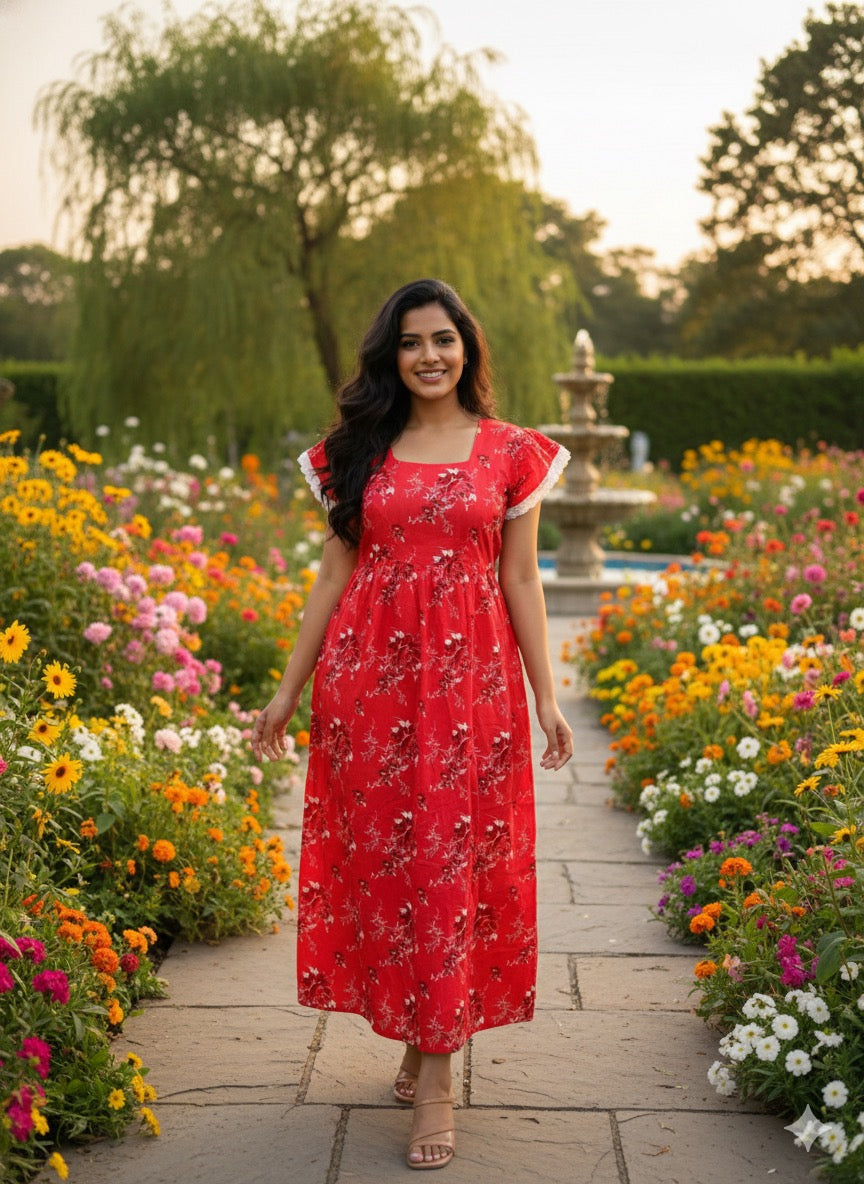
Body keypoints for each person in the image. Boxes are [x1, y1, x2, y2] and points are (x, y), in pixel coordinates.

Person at [251, 278, 573, 1170]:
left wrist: (545, 697)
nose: (429, 355)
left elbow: (521, 579)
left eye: (444, 339)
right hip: (372, 692)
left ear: (467, 347)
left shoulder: (512, 452)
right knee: (395, 869)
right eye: (410, 343)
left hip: (472, 694)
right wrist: (286, 691)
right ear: (389, 357)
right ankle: (420, 1038)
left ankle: (438, 1078)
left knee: (453, 867)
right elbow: (331, 578)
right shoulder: (357, 452)